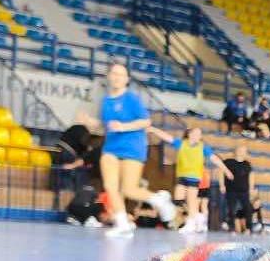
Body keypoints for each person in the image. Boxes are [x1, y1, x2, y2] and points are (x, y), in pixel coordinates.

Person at [77, 61, 175, 238]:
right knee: (110, 187)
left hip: (132, 147)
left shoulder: (131, 99)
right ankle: (122, 224)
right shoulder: (106, 101)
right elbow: (106, 126)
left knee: (129, 189)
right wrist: (92, 123)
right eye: (114, 73)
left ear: (127, 79)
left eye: (121, 75)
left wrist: (123, 126)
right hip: (111, 148)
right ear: (109, 76)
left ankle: (159, 200)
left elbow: (146, 122)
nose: (117, 77)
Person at [149, 124, 232, 235]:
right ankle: (197, 217)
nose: (199, 136)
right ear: (190, 134)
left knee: (191, 202)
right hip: (181, 176)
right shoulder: (181, 143)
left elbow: (215, 159)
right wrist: (154, 130)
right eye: (196, 133)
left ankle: (191, 223)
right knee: (178, 200)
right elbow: (166, 137)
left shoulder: (203, 147)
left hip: (194, 178)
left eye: (200, 134)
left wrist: (226, 170)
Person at [221, 142, 255, 235]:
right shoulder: (228, 162)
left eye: (244, 151)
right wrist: (222, 185)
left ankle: (248, 228)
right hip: (231, 190)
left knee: (248, 208)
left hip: (244, 191)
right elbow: (221, 172)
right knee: (231, 209)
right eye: (240, 150)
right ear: (235, 151)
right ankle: (232, 228)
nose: (241, 152)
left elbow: (251, 176)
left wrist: (251, 188)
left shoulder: (247, 164)